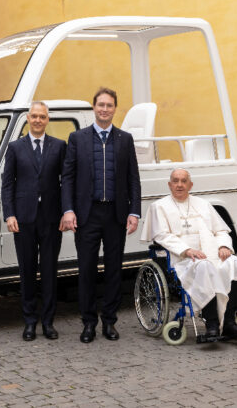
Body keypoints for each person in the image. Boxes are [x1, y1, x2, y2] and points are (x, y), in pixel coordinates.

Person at [61, 87, 141, 343]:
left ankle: (109, 321)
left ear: (115, 109)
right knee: (86, 270)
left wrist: (134, 211)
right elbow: (68, 178)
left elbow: (133, 179)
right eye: (100, 105)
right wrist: (68, 209)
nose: (104, 109)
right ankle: (88, 323)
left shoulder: (125, 139)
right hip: (87, 215)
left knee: (114, 270)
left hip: (115, 214)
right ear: (94, 108)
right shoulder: (77, 139)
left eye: (109, 105)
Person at [141, 168, 237, 339]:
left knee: (233, 263)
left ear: (190, 185)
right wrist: (186, 250)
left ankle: (229, 323)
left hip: (211, 254)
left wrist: (224, 246)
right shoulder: (159, 207)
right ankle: (212, 324)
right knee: (204, 267)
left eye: (184, 181)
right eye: (176, 181)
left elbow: (221, 230)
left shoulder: (203, 204)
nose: (179, 185)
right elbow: (162, 235)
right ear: (169, 185)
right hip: (183, 260)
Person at [2, 101, 67, 341]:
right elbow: (7, 183)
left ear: (47, 119)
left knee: (49, 271)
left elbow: (66, 182)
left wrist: (66, 211)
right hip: (24, 218)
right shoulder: (15, 148)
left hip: (51, 219)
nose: (38, 120)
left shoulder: (59, 146)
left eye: (42, 116)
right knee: (27, 271)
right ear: (28, 119)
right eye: (34, 116)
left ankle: (48, 322)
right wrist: (9, 214)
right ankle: (29, 322)